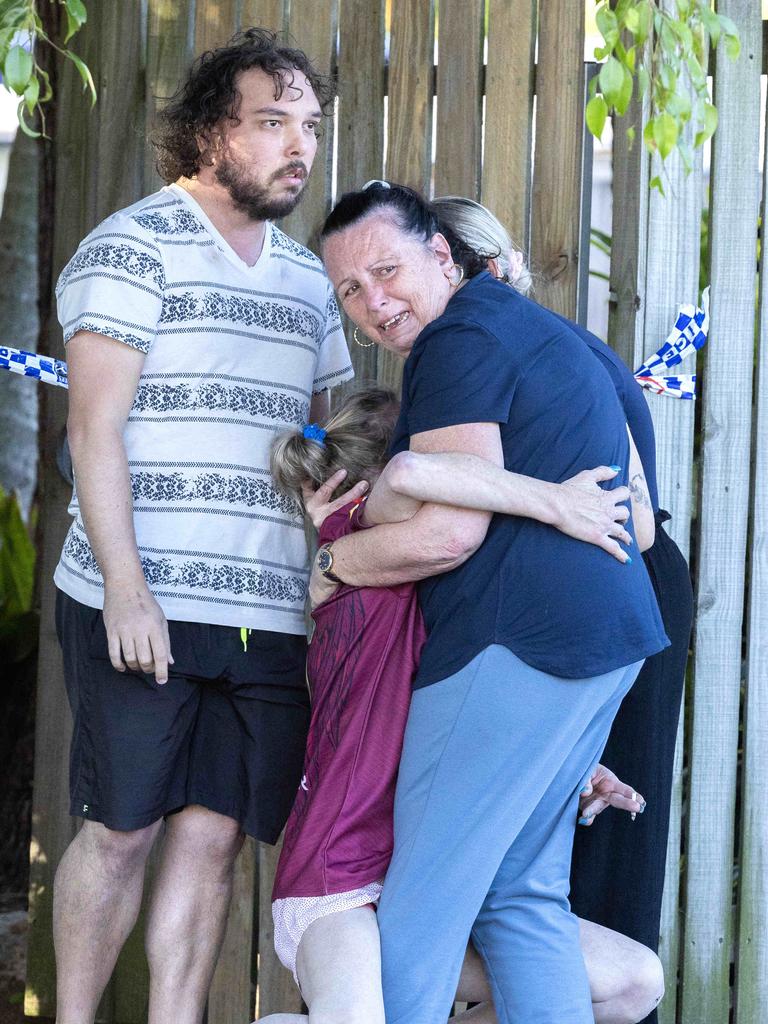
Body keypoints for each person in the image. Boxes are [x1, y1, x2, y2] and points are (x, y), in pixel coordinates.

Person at [311, 181, 669, 1024]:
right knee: (520, 895)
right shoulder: (550, 336)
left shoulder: (459, 336)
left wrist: (334, 563)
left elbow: (448, 535)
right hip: (604, 640)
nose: (374, 301)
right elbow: (644, 525)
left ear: (443, 256)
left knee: (420, 909)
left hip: (511, 645)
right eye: (351, 291)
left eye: (388, 270)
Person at [51, 29, 353, 1024]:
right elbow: (93, 431)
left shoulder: (312, 279)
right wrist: (129, 593)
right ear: (210, 130)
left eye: (308, 125)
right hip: (139, 597)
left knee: (213, 837)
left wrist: (319, 464)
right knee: (123, 829)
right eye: (272, 122)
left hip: (267, 612)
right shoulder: (132, 245)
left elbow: (332, 432)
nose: (297, 145)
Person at [256, 385, 662, 1024]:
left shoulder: (454, 584)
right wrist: (557, 500)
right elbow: (415, 477)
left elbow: (469, 721)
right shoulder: (363, 549)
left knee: (633, 983)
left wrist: (563, 765)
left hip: (442, 876)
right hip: (341, 882)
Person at [433, 196, 693, 1024]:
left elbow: (637, 521)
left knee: (599, 834)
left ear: (488, 270)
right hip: (584, 604)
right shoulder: (484, 349)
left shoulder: (550, 352)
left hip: (620, 597)